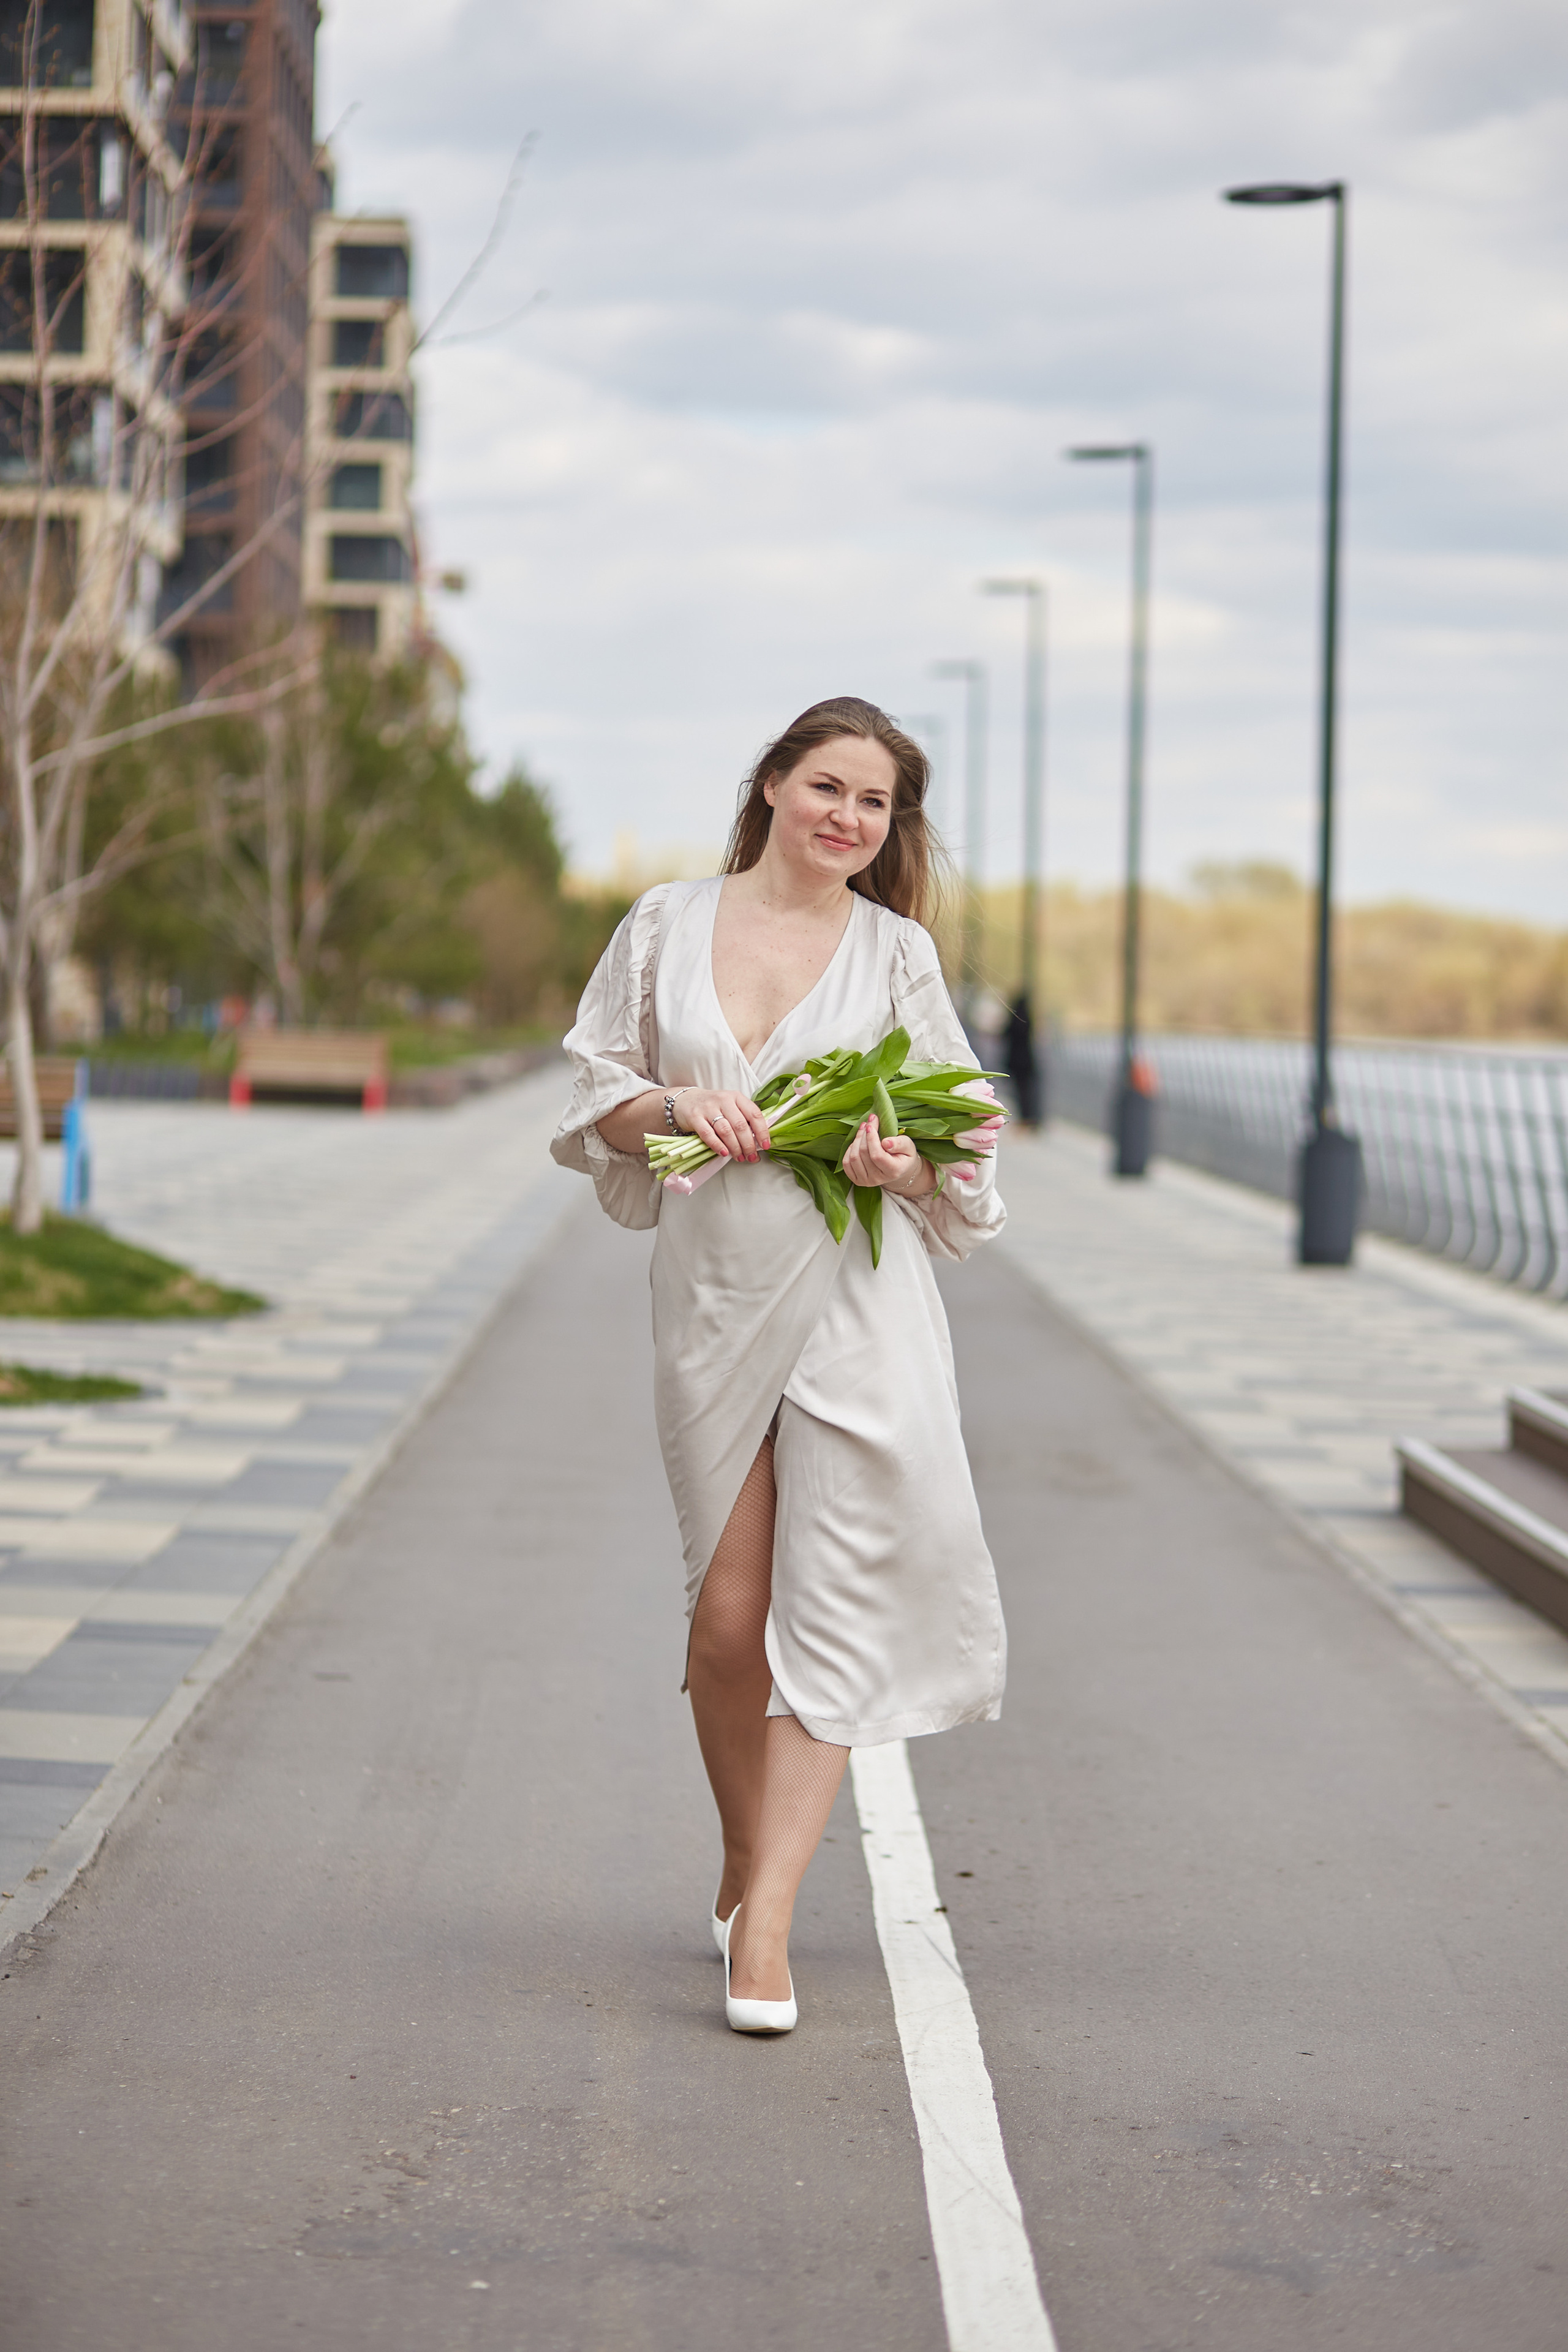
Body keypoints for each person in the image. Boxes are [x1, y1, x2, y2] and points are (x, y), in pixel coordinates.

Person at [551, 696, 1006, 2035]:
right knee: (726, 1618)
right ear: (770, 785)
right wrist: (673, 1103)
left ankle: (768, 1926)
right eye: (827, 787)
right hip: (711, 1301)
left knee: (830, 1609)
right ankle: (745, 1850)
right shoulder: (664, 923)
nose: (847, 818)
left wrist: (899, 1163)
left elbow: (961, 1142)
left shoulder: (897, 953)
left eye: (874, 803)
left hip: (857, 1300)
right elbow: (595, 1099)